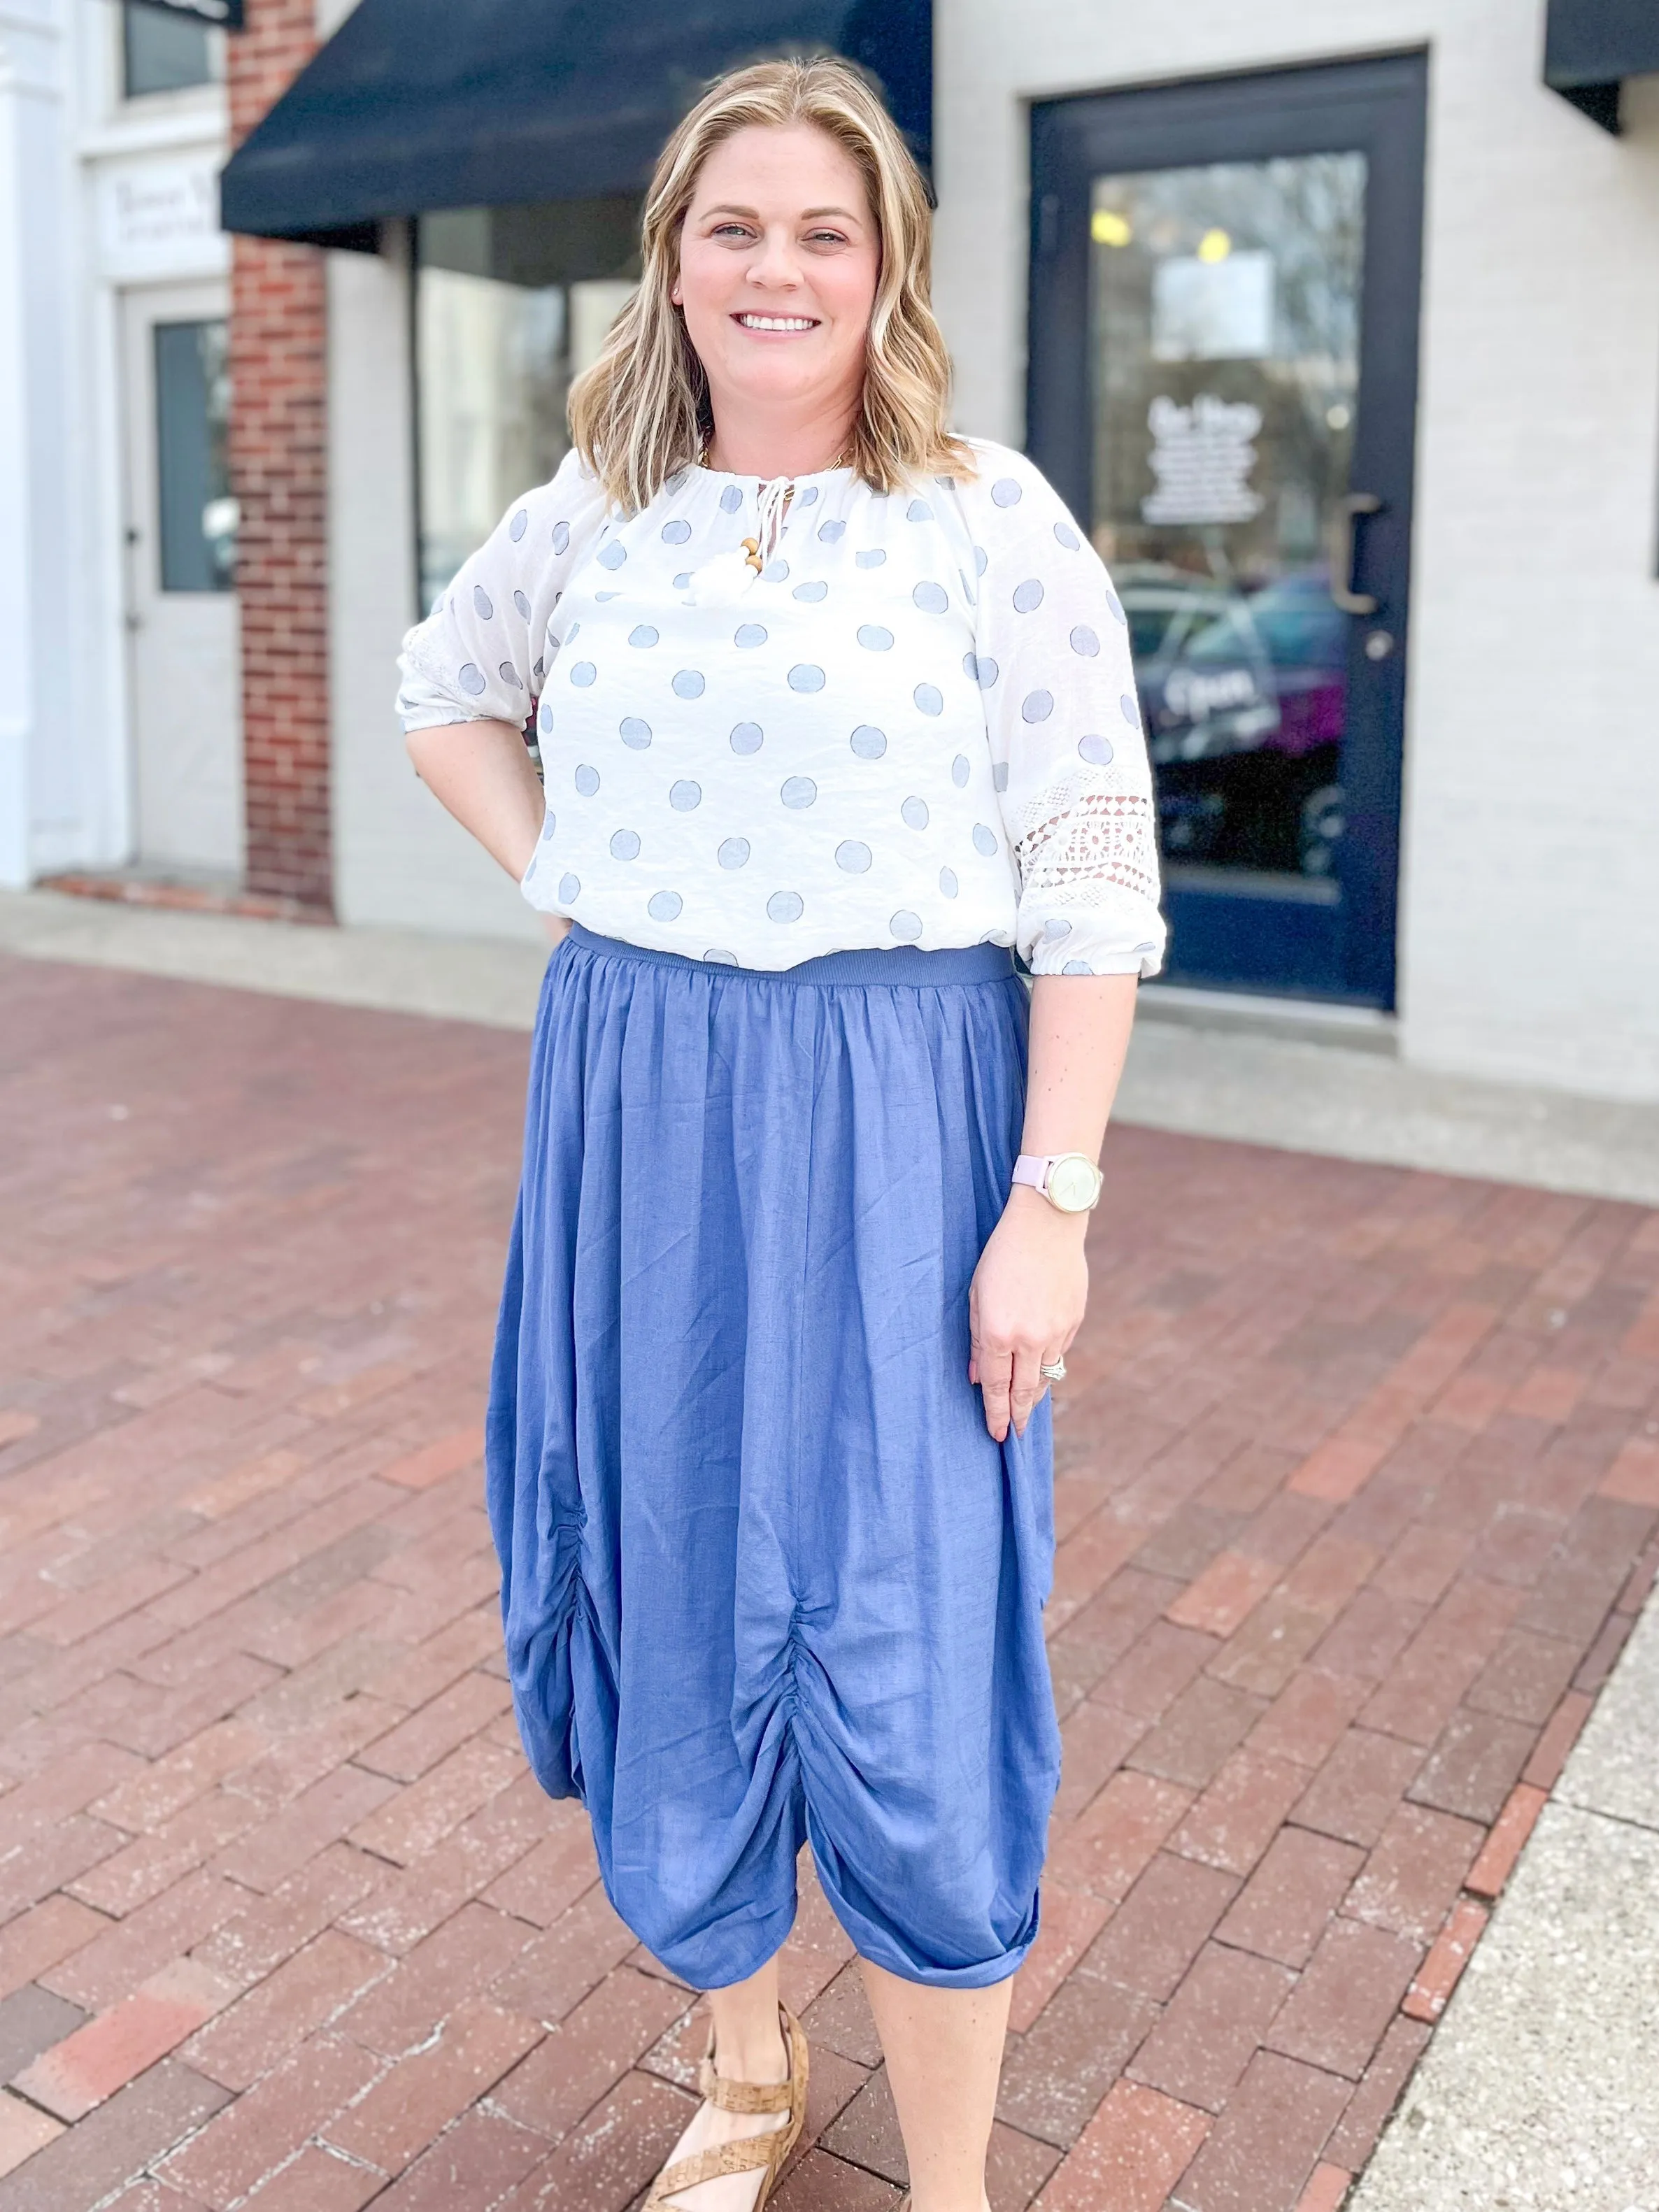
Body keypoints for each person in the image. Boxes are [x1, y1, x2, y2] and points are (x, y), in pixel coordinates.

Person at [397, 54, 1164, 2212]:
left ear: (886, 264)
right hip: (637, 1117)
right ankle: (741, 2074)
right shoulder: (591, 513)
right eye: (733, 224)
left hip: (904, 1108)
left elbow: (1092, 870)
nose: (776, 265)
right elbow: (442, 690)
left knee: (909, 1637)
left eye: (823, 228)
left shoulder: (985, 518)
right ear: (670, 260)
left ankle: (949, 2185)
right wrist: (570, 875)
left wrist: (1053, 1202)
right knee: (668, 1583)